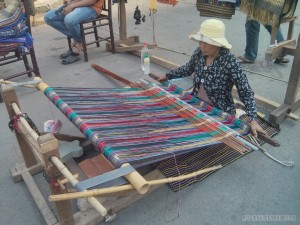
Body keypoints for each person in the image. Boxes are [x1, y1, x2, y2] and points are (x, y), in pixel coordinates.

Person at [157, 19, 267, 137]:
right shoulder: (199, 53)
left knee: (195, 135)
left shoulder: (230, 62)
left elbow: (245, 92)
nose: (202, 46)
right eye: (201, 41)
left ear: (217, 43)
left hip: (219, 112)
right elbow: (188, 68)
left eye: (206, 42)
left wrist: (253, 119)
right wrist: (169, 75)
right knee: (169, 123)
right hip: (197, 103)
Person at [44, 0, 104, 64]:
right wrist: (69, 2)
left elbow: (91, 1)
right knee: (49, 17)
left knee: (69, 20)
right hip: (76, 5)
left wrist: (72, 6)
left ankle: (78, 45)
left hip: (91, 8)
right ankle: (76, 35)